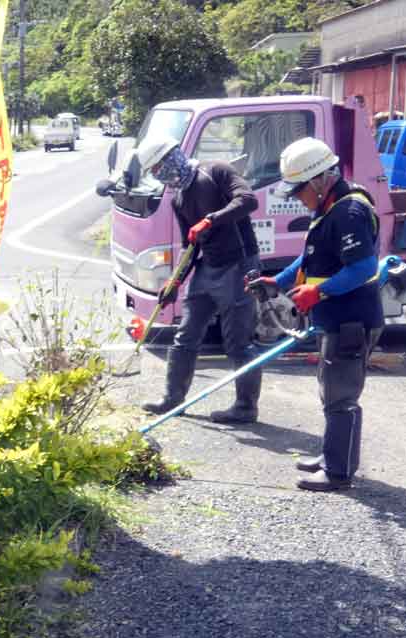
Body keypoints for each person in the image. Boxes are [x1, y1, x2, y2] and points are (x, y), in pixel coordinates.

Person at [246, 137, 383, 492]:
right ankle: (330, 456)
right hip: (335, 318)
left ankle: (338, 474)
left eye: (299, 190)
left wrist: (318, 291)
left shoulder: (349, 211)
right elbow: (309, 259)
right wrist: (277, 281)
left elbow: (365, 267)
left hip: (352, 319)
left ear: (320, 178)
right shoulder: (329, 207)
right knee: (329, 390)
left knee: (342, 397)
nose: (297, 198)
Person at [138, 134, 262, 424]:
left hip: (239, 264)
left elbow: (248, 200)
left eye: (158, 167)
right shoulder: (178, 198)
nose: (159, 175)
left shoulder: (215, 170)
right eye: (154, 172)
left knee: (238, 343)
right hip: (208, 267)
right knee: (185, 336)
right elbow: (189, 246)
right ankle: (172, 400)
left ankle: (245, 407)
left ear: (173, 157)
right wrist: (175, 281)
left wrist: (210, 219)